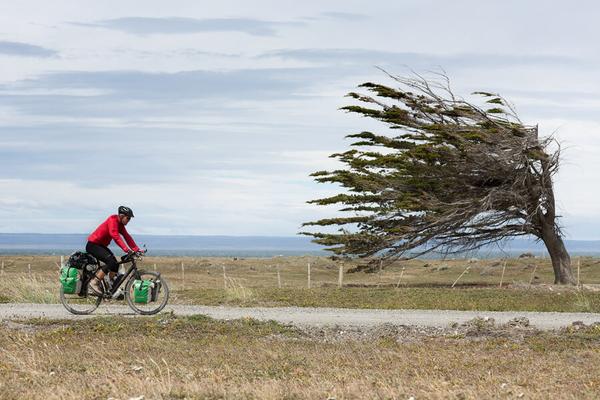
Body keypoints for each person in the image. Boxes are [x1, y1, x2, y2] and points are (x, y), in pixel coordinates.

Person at [86, 206, 141, 295]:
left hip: (100, 245)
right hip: (93, 245)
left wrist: (137, 250)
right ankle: (94, 283)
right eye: (128, 218)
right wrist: (127, 250)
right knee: (111, 262)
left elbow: (127, 236)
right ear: (122, 216)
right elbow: (115, 236)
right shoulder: (112, 220)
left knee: (115, 265)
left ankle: (111, 286)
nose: (129, 220)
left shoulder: (120, 225)